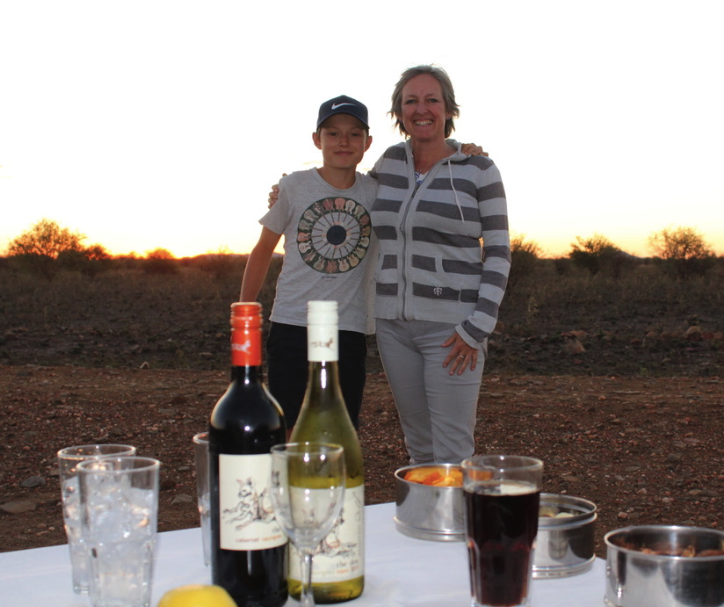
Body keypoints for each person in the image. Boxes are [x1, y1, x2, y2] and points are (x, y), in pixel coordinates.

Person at [370, 65, 510, 464]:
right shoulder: (389, 163)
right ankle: (422, 526)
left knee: (451, 452)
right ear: (399, 112)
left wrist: (476, 328)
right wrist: (292, 191)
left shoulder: (479, 170)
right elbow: (348, 196)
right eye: (410, 101)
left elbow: (499, 251)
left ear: (448, 109)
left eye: (432, 99)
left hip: (453, 334)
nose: (421, 109)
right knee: (419, 447)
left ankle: (455, 528)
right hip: (392, 329)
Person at [240, 95, 377, 432]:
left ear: (367, 142)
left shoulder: (378, 192)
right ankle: (286, 485)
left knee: (340, 426)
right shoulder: (293, 187)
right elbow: (262, 250)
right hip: (292, 324)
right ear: (317, 140)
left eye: (354, 134)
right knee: (288, 424)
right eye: (332, 133)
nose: (343, 142)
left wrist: (463, 150)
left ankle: (336, 486)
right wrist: (245, 311)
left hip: (347, 328)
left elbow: (420, 165)